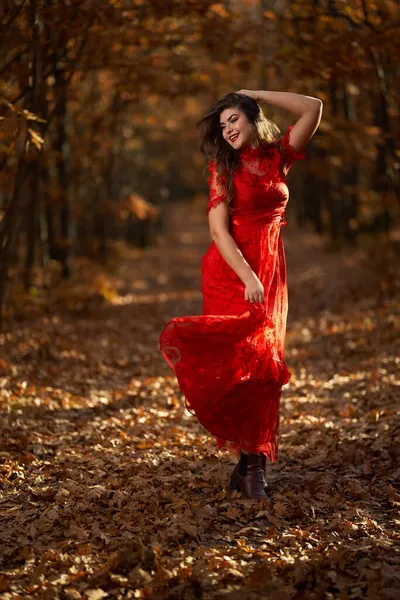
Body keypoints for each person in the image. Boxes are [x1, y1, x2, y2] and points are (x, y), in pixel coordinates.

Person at [160, 90, 322, 499]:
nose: (228, 129)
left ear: (252, 118)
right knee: (242, 364)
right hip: (233, 272)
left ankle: (251, 469)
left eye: (234, 119)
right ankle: (250, 470)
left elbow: (313, 108)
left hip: (271, 271)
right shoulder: (222, 167)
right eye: (222, 125)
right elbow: (218, 231)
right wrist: (249, 276)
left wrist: (254, 92)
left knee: (266, 365)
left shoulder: (277, 156)